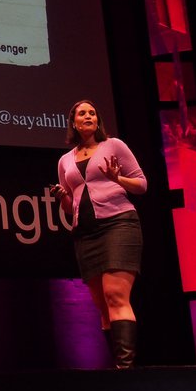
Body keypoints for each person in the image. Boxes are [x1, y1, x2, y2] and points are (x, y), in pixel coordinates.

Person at [50, 99, 147, 369]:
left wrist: (118, 179)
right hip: (86, 232)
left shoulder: (114, 146)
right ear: (74, 122)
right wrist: (62, 198)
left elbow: (141, 185)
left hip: (119, 223)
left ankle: (126, 369)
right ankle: (117, 367)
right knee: (103, 306)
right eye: (82, 113)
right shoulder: (65, 160)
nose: (88, 116)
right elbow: (71, 208)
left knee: (115, 294)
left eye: (92, 112)